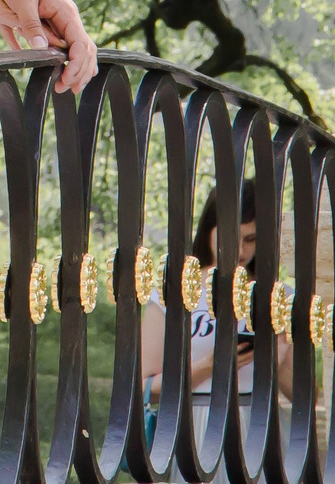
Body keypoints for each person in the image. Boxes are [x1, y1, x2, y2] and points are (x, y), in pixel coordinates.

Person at [139, 184, 293, 480]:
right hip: (194, 427)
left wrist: (279, 360)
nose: (240, 250)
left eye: (251, 239)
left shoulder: (279, 296)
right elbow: (145, 387)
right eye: (230, 237)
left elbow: (304, 397)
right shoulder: (174, 293)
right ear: (208, 230)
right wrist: (208, 367)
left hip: (260, 427)